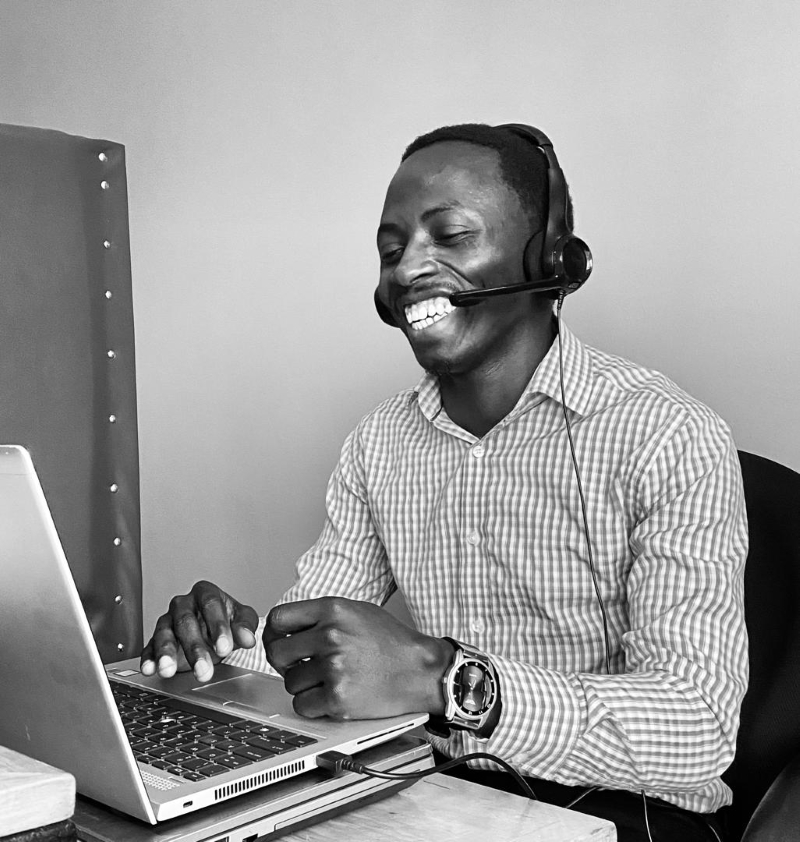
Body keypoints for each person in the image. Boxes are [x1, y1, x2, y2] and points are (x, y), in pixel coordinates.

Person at [141, 123, 748, 841]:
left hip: (631, 815)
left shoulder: (670, 435)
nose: (406, 270)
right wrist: (219, 649)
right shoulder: (379, 443)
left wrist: (445, 679)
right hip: (441, 797)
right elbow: (313, 649)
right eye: (390, 250)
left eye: (451, 235)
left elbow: (698, 728)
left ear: (551, 258)